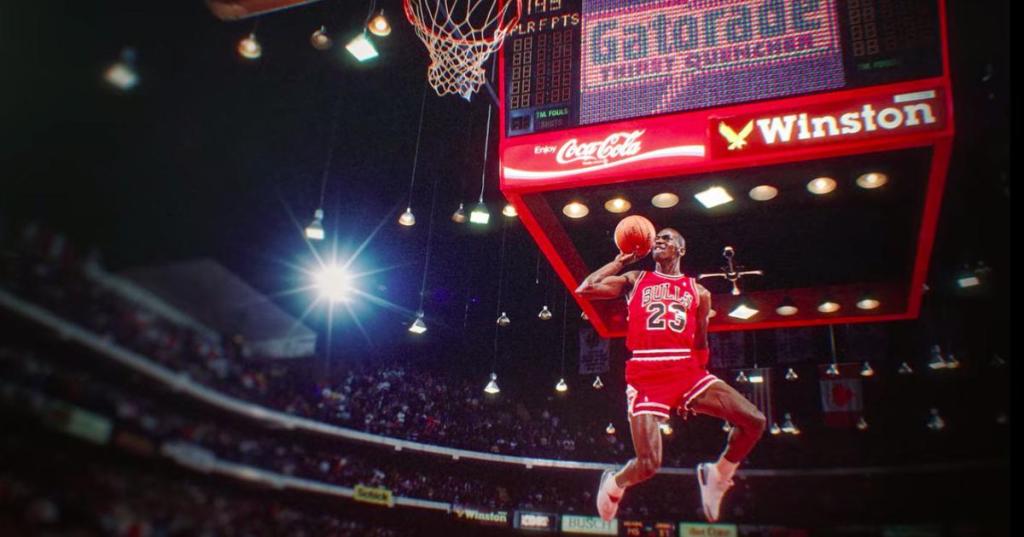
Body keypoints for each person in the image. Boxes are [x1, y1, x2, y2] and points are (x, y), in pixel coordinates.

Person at [575, 228, 765, 522]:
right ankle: (614, 482)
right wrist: (619, 262)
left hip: (686, 369)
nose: (659, 241)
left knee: (754, 421)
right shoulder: (636, 279)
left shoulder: (699, 292)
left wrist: (697, 383)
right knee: (648, 465)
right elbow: (586, 289)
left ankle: (719, 474)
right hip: (646, 371)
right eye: (657, 238)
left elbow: (700, 341)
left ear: (681, 249)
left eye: (667, 238)